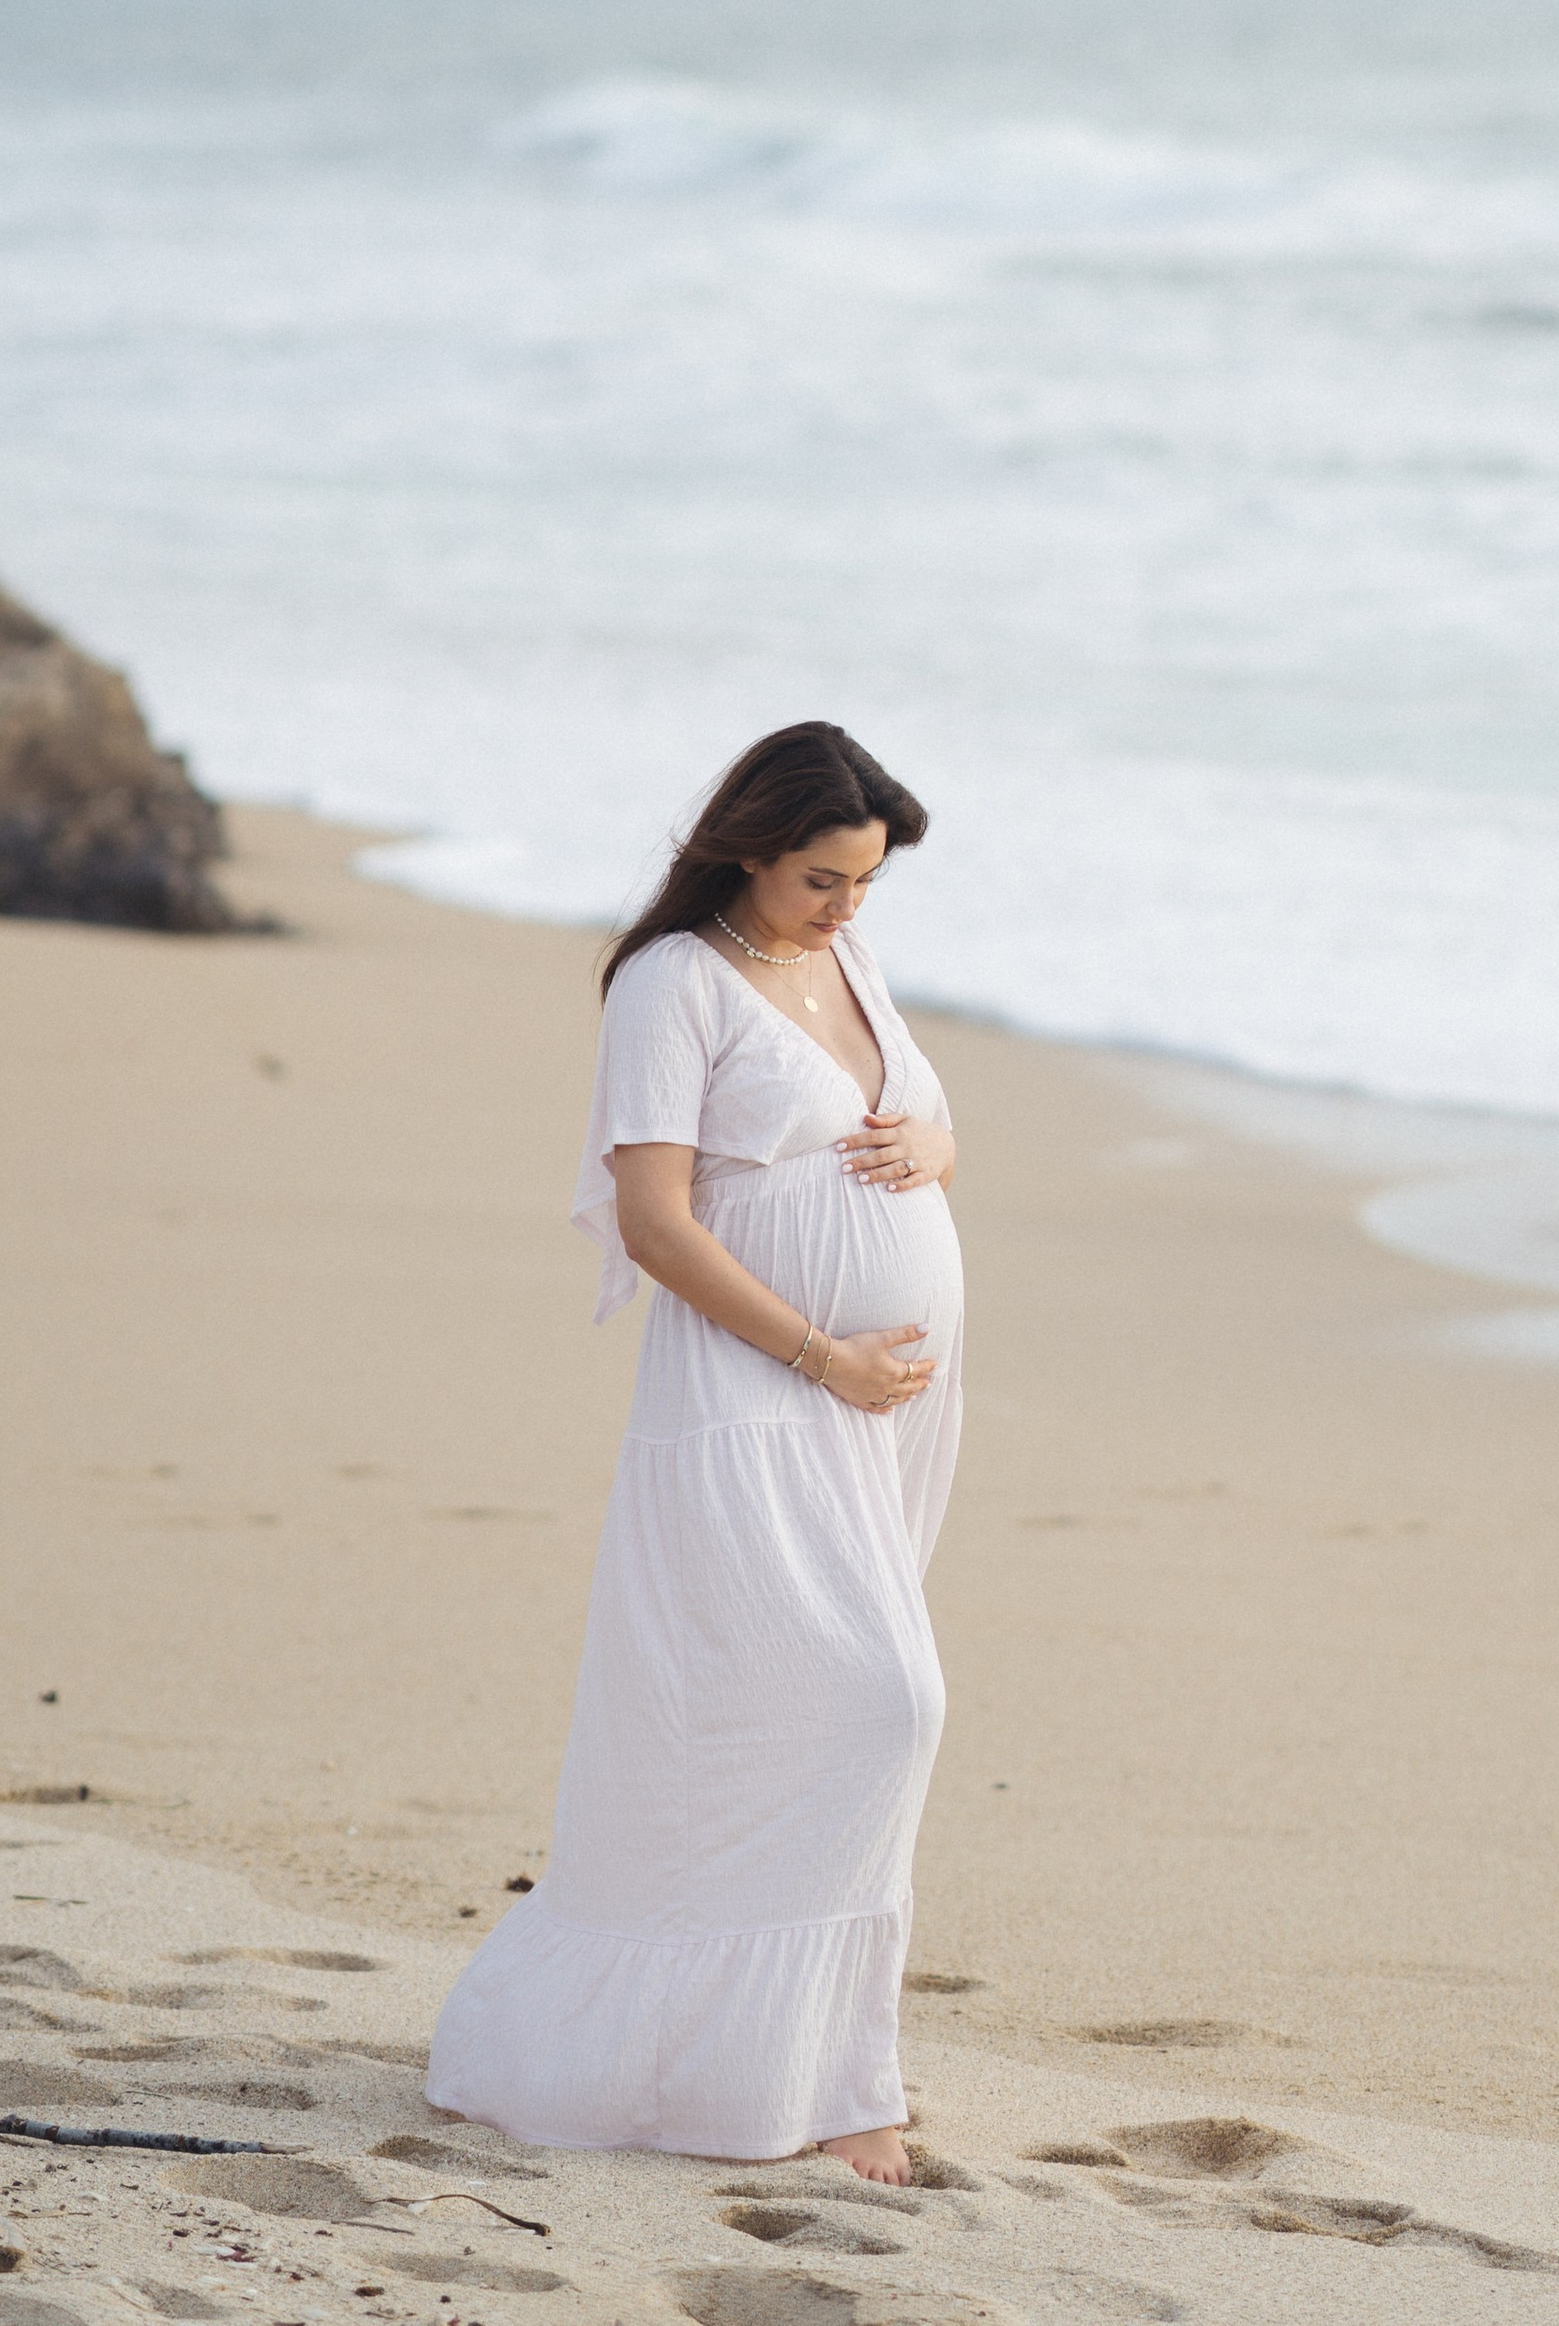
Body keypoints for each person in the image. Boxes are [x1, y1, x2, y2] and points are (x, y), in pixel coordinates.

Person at [425, 721, 962, 2184]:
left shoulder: (842, 957)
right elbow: (658, 1221)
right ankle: (835, 2079)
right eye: (822, 878)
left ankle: (815, 2067)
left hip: (881, 1409)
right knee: (881, 1703)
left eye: (865, 882)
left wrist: (936, 1155)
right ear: (745, 846)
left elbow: (918, 1119)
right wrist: (824, 1355)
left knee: (791, 1717)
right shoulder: (673, 985)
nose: (848, 906)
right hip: (752, 1394)